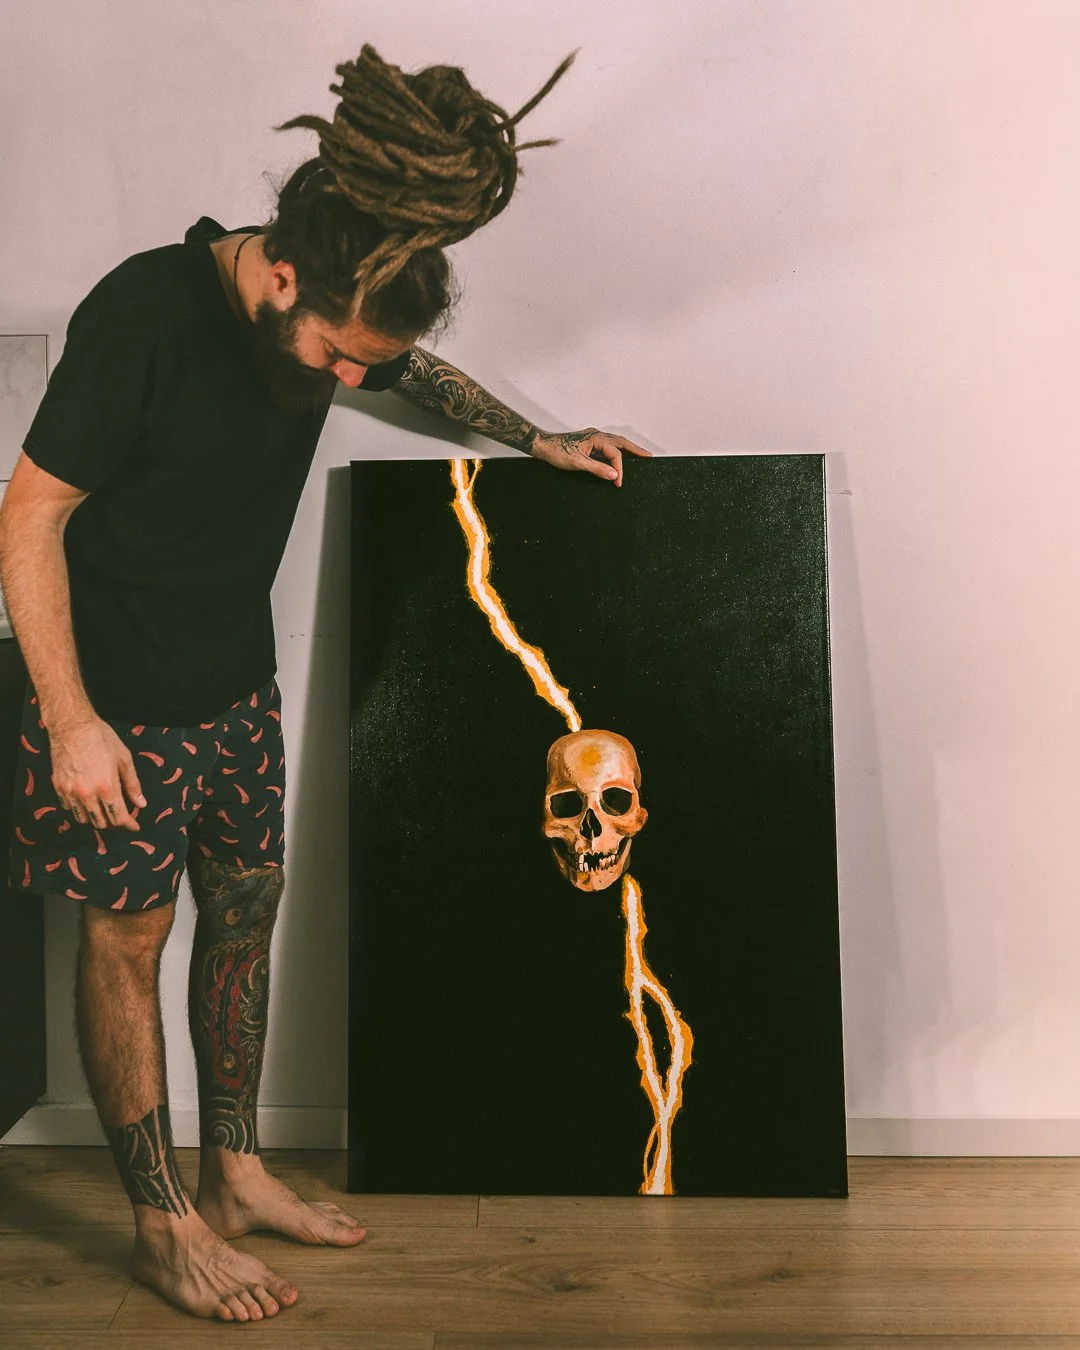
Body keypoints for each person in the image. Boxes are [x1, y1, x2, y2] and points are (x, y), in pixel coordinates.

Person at [0, 44, 649, 1323]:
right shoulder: (141, 313)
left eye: (362, 361)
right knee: (127, 947)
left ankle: (233, 1174)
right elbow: (27, 518)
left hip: (237, 685)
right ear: (278, 273)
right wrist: (68, 720)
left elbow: (406, 365)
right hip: (110, 703)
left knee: (244, 917)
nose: (349, 381)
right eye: (336, 356)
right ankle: (161, 1226)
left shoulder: (342, 302)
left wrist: (537, 437)